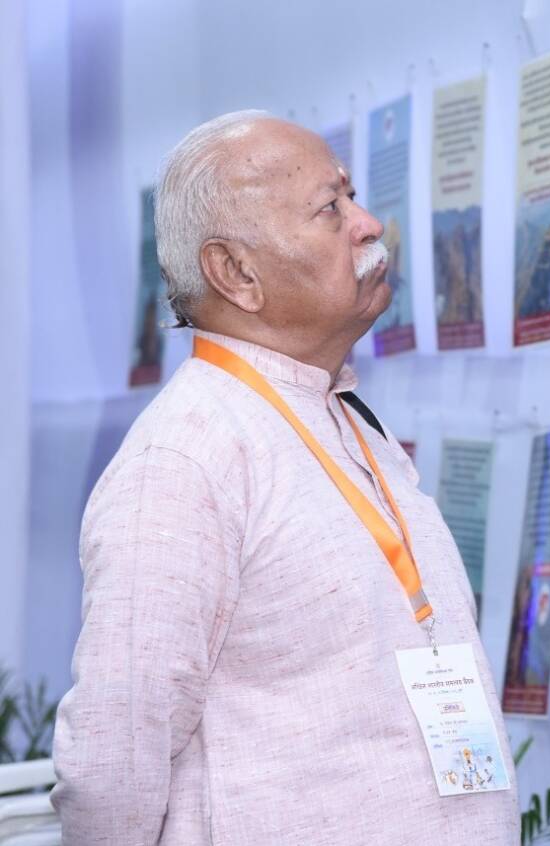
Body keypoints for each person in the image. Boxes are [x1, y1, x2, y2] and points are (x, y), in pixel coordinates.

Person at [51, 111, 517, 845]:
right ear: (236, 273)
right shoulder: (182, 460)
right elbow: (113, 770)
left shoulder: (339, 411)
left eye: (352, 195)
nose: (368, 224)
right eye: (330, 208)